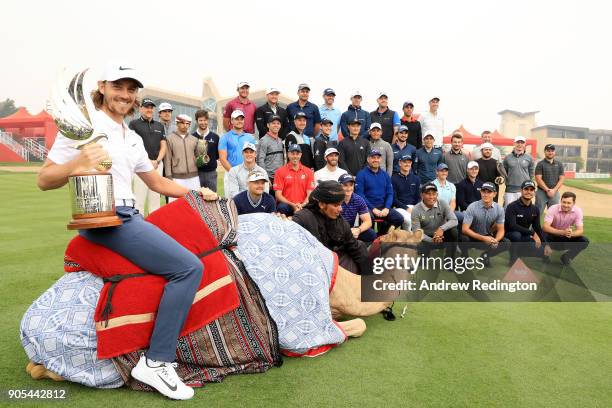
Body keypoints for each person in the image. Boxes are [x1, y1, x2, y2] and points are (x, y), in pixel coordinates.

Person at [37, 62, 203, 400]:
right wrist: (77, 165)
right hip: (107, 218)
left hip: (131, 215)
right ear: (102, 86)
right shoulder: (83, 126)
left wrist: (196, 194)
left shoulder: (132, 136)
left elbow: (154, 181)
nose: (125, 95)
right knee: (189, 268)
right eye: (118, 87)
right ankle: (156, 362)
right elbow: (44, 179)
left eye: (131, 89)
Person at [292, 180, 371, 275]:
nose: (340, 209)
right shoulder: (302, 219)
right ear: (321, 204)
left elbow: (353, 246)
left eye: (341, 204)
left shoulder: (340, 222)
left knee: (360, 246)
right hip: (311, 267)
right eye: (336, 205)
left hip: (334, 262)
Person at [128, 98, 166, 215]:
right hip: (140, 166)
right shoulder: (134, 124)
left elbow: (163, 145)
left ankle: (154, 227)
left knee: (155, 200)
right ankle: (140, 228)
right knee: (139, 200)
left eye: (151, 107)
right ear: (141, 109)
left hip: (157, 165)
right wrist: (148, 161)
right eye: (146, 107)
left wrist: (157, 161)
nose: (149, 109)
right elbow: (132, 145)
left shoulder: (159, 125)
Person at [459, 182, 510, 267]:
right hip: (473, 237)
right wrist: (483, 238)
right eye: (483, 191)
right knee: (462, 238)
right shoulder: (472, 207)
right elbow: (465, 229)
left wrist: (496, 240)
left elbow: (501, 229)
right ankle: (464, 256)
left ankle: (485, 256)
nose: (485, 194)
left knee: (506, 243)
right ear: (481, 192)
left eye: (489, 192)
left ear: (494, 194)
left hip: (488, 236)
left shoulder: (499, 209)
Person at [355, 150, 404, 233]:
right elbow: (360, 195)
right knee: (369, 219)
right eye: (373, 157)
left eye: (378, 158)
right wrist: (373, 209)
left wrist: (387, 208)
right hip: (367, 208)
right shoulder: (361, 174)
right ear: (368, 159)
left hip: (383, 207)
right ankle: (370, 240)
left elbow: (390, 193)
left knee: (399, 218)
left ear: (381, 160)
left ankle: (382, 235)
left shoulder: (385, 175)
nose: (376, 160)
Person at [504, 180, 548, 265]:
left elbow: (537, 228)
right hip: (510, 236)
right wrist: (532, 233)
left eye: (531, 190)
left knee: (541, 252)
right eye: (526, 189)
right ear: (521, 190)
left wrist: (546, 245)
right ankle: (513, 259)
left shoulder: (535, 209)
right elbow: (512, 225)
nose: (529, 192)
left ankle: (519, 252)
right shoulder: (512, 206)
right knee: (516, 235)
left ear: (534, 192)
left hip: (524, 236)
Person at [411, 183, 458, 258]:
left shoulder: (442, 203)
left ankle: (449, 259)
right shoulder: (416, 209)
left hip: (441, 237)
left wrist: (442, 228)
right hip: (426, 239)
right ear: (422, 195)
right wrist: (432, 240)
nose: (431, 197)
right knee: (416, 239)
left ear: (437, 194)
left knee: (453, 231)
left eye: (434, 194)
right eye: (428, 194)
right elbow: (416, 232)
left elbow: (454, 220)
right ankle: (424, 256)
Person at [542, 191, 589, 265]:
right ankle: (544, 255)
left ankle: (566, 257)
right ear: (561, 201)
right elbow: (545, 227)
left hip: (565, 238)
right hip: (551, 237)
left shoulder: (578, 211)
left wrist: (571, 233)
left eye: (569, 203)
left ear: (573, 203)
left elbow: (580, 230)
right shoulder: (553, 208)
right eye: (564, 202)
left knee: (584, 241)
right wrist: (561, 232)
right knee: (542, 233)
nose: (566, 205)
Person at [164, 114, 201, 201]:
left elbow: (198, 157)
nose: (185, 125)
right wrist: (168, 176)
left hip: (194, 177)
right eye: (182, 123)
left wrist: (203, 159)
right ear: (177, 124)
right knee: (175, 205)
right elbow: (167, 159)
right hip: (177, 178)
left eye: (187, 123)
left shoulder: (194, 139)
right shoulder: (169, 139)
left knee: (195, 203)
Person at [273, 144, 315, 216]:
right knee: (282, 207)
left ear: (301, 155)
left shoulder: (309, 172)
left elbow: (309, 194)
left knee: (314, 208)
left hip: (303, 205)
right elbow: (278, 195)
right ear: (288, 154)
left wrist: (302, 205)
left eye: (297, 154)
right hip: (287, 205)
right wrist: (292, 205)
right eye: (292, 154)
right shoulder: (279, 171)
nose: (295, 156)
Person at [338, 173, 377, 244]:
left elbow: (368, 222)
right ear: (339, 186)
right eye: (345, 185)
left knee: (371, 234)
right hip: (337, 230)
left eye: (351, 185)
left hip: (350, 229)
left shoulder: (358, 199)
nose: (349, 188)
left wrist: (358, 230)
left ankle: (360, 251)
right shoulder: (335, 199)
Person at [256, 115, 285, 193]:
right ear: (268, 125)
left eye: (278, 123)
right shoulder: (263, 140)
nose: (276, 125)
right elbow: (259, 160)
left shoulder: (280, 140)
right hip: (269, 178)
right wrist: (265, 178)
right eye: (273, 123)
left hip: (280, 177)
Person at [503, 135, 535, 207]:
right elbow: (504, 173)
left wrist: (528, 185)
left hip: (524, 190)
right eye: (518, 142)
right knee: (508, 210)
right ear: (514, 144)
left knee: (523, 211)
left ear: (524, 144)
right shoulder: (507, 157)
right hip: (510, 190)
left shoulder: (529, 158)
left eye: (522, 142)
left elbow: (531, 173)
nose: (519, 144)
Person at [192, 109, 219, 192]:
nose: (203, 122)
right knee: (197, 200)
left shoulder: (215, 137)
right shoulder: (192, 137)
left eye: (205, 120)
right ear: (196, 121)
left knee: (212, 199)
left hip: (211, 173)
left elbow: (217, 156)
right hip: (196, 173)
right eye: (200, 120)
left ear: (208, 120)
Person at [392, 154, 420, 232]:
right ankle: (408, 240)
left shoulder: (416, 178)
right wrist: (406, 208)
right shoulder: (393, 178)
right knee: (408, 220)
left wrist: (416, 208)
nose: (407, 164)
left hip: (414, 207)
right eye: (405, 162)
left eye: (409, 162)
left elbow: (419, 197)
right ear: (400, 163)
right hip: (399, 208)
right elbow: (394, 199)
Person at [535, 144, 565, 214]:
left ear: (554, 152)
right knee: (537, 213)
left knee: (554, 214)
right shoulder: (540, 164)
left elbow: (562, 178)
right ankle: (535, 225)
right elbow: (538, 179)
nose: (550, 152)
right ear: (545, 152)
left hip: (555, 192)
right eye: (548, 151)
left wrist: (554, 190)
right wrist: (547, 190)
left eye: (552, 151)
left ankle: (549, 225)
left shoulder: (559, 164)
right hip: (541, 192)